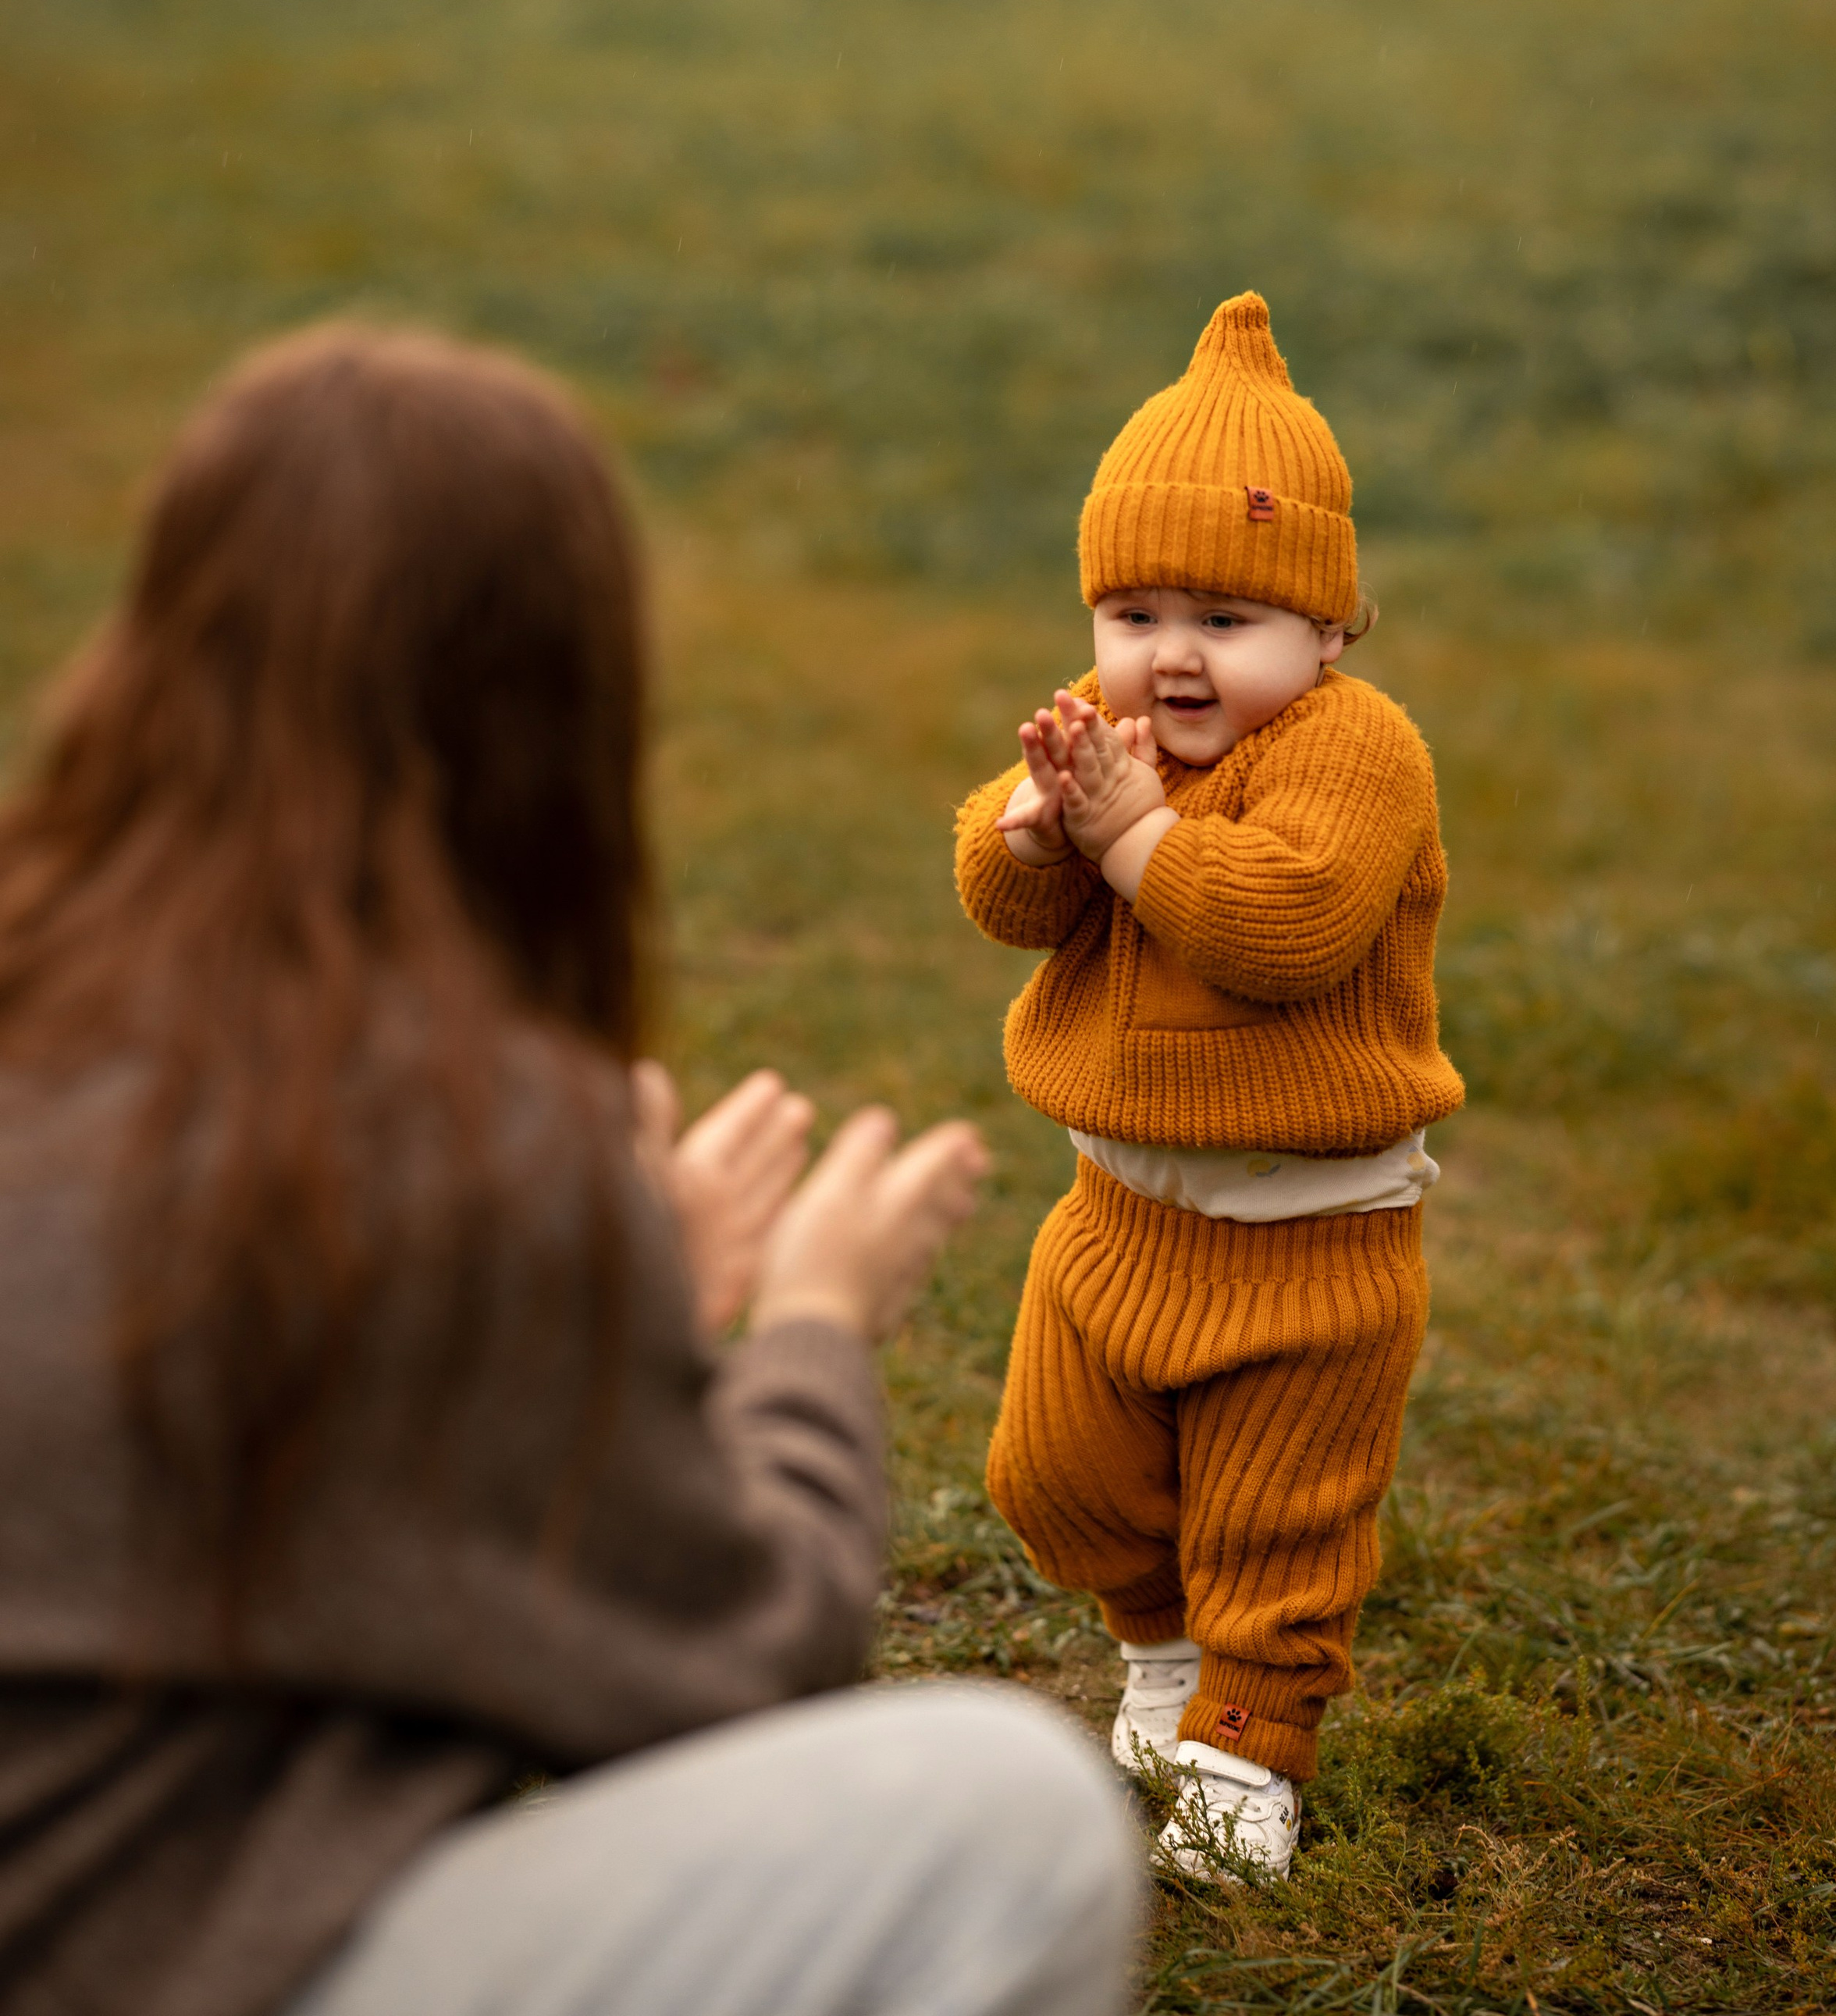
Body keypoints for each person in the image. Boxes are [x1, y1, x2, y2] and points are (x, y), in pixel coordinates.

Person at [0, 325, 1141, 2016]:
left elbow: (313, 1499)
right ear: (551, 705)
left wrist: (617, 1314)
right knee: (1016, 1814)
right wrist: (809, 1332)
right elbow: (728, 1657)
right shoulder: (460, 1135)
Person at [953, 293, 1464, 1879]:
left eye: (1226, 617)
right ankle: (1158, 1644)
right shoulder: (1105, 731)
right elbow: (1001, 889)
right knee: (1049, 1470)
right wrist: (1035, 832)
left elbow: (1283, 925)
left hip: (1304, 1231)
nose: (1172, 651)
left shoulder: (1353, 750)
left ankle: (1248, 1731)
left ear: (1325, 632)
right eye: (1135, 608)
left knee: (1277, 1509)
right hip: (1118, 1205)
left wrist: (1126, 834)